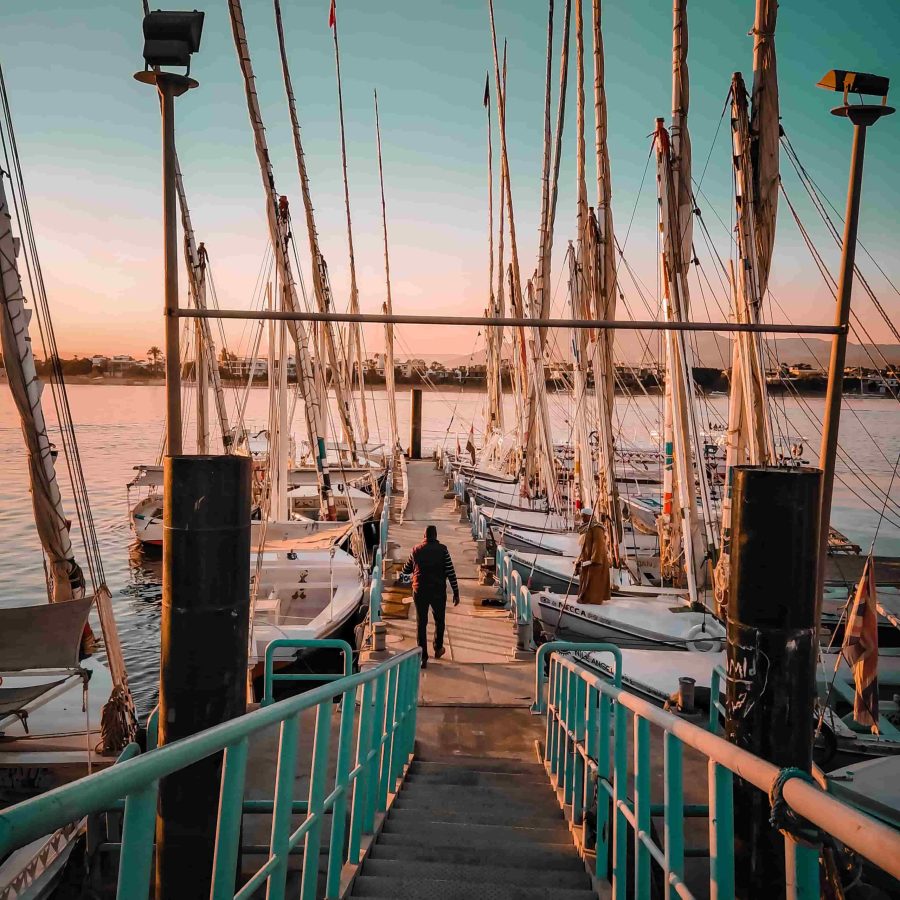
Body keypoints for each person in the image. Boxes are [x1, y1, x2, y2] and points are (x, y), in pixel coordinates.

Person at [398, 524, 459, 668]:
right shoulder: (443, 550)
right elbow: (451, 572)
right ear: (436, 536)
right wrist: (456, 592)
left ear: (424, 536)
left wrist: (405, 580)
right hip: (438, 590)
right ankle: (438, 649)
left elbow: (405, 572)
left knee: (421, 623)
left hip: (420, 591)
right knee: (439, 620)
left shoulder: (416, 550)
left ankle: (423, 657)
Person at [574, 508, 611, 606]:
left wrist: (594, 559)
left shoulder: (597, 528)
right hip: (586, 559)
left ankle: (593, 600)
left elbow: (598, 544)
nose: (582, 518)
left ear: (589, 516)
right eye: (582, 516)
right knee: (586, 580)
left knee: (594, 582)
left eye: (584, 516)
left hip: (595, 561)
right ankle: (585, 598)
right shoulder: (586, 528)